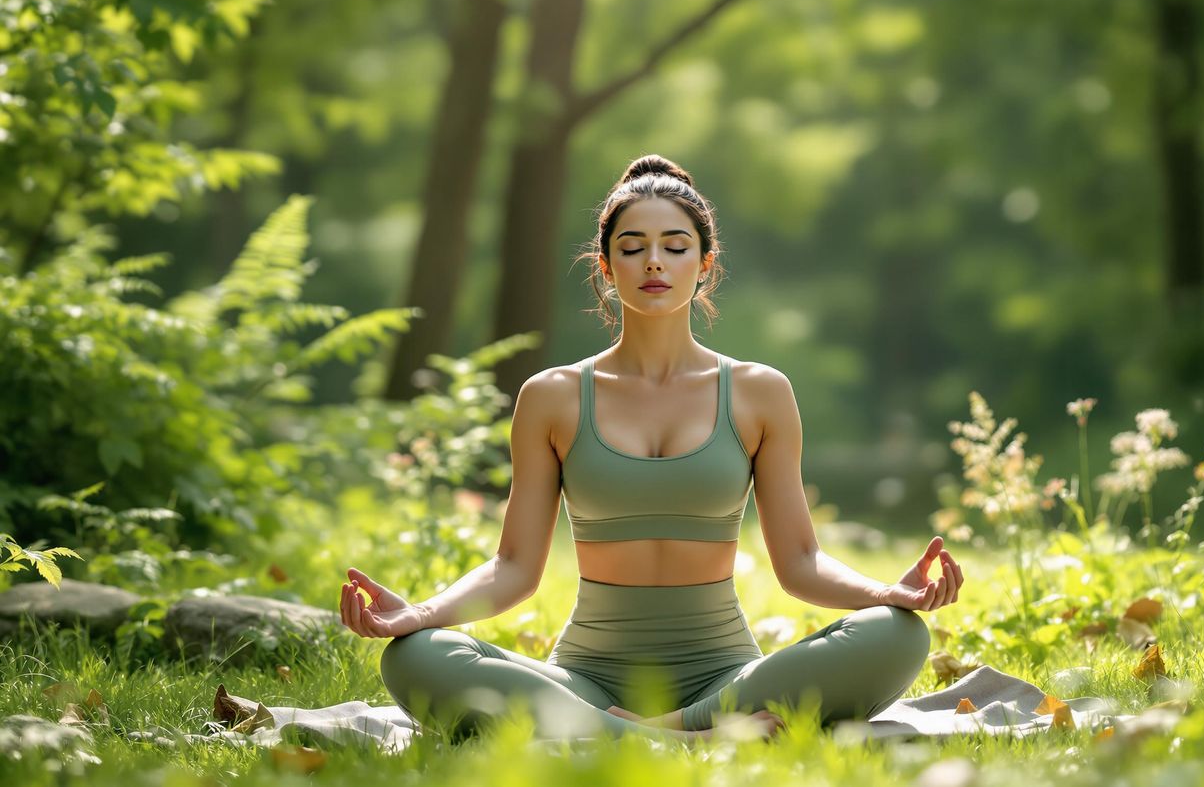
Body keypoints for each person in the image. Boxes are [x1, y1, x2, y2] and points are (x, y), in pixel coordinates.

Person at [339, 153, 965, 745]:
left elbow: (801, 561)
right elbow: (513, 568)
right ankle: (680, 744)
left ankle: (641, 736)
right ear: (605, 268)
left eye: (674, 246)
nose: (653, 264)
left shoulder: (758, 392)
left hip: (725, 680)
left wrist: (888, 595)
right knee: (418, 656)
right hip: (586, 681)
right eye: (632, 249)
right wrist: (419, 614)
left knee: (898, 635)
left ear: (706, 263)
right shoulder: (553, 397)